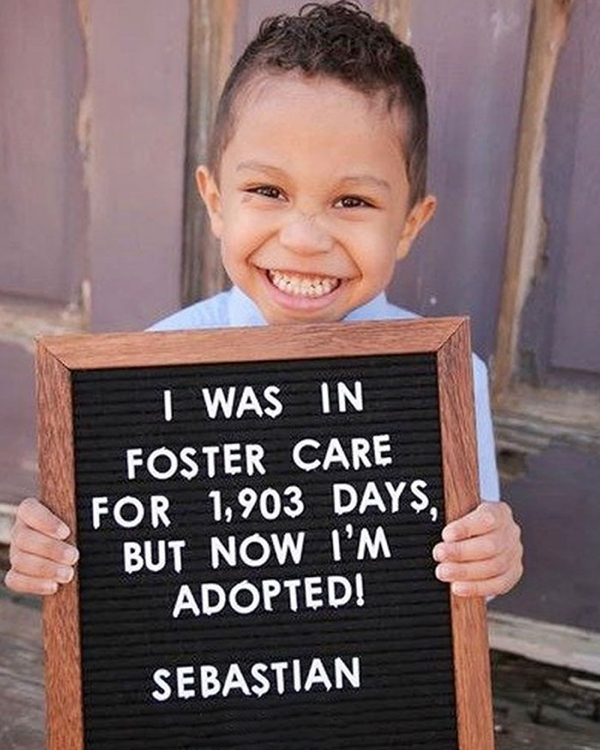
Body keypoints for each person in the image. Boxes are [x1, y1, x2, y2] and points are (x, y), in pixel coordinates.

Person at [4, 1, 522, 601]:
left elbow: (462, 586)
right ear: (216, 202)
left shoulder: (444, 381)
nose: (303, 239)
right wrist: (53, 555)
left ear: (409, 224)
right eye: (268, 190)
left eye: (352, 201)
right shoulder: (146, 376)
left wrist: (491, 559)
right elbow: (121, 559)